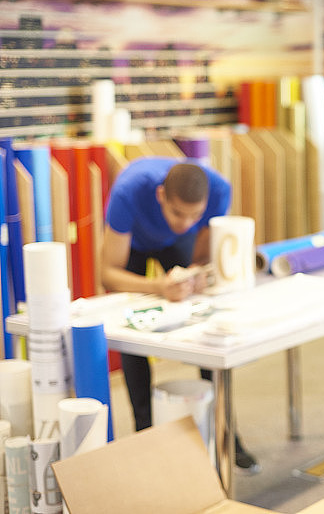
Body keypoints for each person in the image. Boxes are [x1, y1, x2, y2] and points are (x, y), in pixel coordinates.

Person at [100, 156, 261, 474]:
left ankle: (227, 432)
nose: (185, 223)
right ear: (161, 195)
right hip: (133, 245)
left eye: (195, 216)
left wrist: (196, 275)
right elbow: (108, 274)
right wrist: (159, 287)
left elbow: (199, 258)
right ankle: (146, 433)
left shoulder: (218, 190)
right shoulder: (127, 194)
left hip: (173, 247)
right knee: (132, 334)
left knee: (206, 323)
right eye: (177, 213)